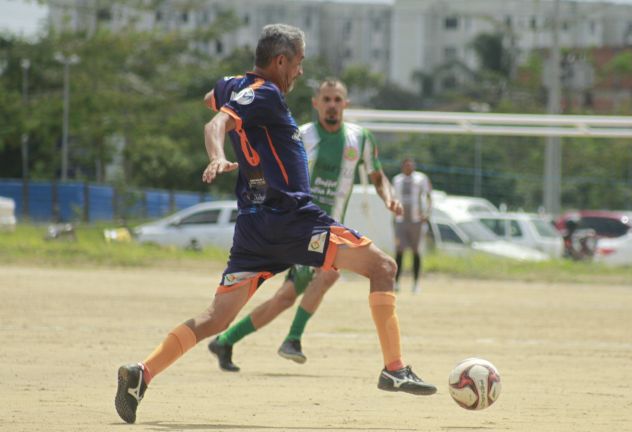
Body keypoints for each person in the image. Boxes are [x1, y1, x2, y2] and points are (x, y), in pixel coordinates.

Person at [114, 24, 436, 425]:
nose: (300, 72)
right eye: (298, 63)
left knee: (217, 317)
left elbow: (209, 100)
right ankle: (395, 369)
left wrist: (236, 98)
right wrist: (216, 154)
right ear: (280, 61)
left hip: (253, 225)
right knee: (383, 268)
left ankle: (140, 374)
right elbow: (214, 125)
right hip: (292, 219)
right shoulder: (264, 94)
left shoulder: (237, 86)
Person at [208, 78, 401, 372]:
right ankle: (291, 339)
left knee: (286, 297)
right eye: (326, 99)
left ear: (345, 104)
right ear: (316, 103)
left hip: (327, 229)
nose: (332, 105)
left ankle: (228, 340)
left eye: (337, 100)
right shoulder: (302, 135)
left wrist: (389, 198)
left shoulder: (360, 139)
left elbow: (378, 177)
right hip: (299, 225)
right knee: (324, 279)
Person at [392, 158, 432, 294]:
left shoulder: (421, 179)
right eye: (406, 165)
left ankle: (416, 284)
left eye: (411, 165)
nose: (409, 167)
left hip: (416, 220)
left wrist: (427, 213)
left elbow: (428, 196)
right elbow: (393, 198)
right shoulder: (397, 180)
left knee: (416, 251)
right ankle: (396, 282)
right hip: (401, 220)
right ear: (403, 166)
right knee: (399, 251)